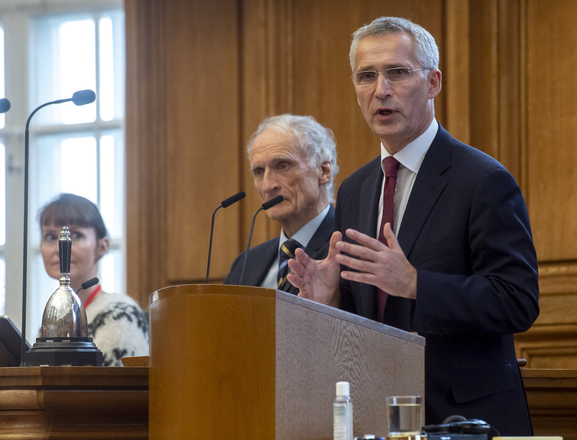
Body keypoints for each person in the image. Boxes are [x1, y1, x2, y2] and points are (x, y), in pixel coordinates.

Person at [287, 17, 539, 436]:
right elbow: (367, 321)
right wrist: (328, 302)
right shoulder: (355, 189)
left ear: (434, 82)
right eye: (366, 76)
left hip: (464, 422)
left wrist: (417, 283)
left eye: (398, 73)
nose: (380, 90)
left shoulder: (481, 179)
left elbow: (518, 299)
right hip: (379, 415)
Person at [223, 114, 338, 294]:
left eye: (283, 166)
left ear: (323, 171)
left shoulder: (348, 249)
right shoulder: (246, 263)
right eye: (259, 172)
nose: (268, 186)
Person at [38, 193, 149, 366]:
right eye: (51, 237)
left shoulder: (120, 315)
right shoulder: (55, 319)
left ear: (102, 246)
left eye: (76, 236)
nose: (61, 246)